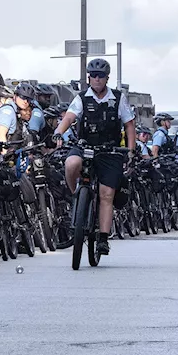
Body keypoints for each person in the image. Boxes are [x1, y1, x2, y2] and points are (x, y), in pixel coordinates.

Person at [51, 58, 136, 255]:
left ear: (107, 78)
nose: (97, 79)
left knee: (107, 193)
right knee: (71, 163)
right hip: (85, 146)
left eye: (101, 76)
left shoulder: (118, 98)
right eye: (93, 76)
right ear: (89, 77)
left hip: (110, 151)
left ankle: (104, 238)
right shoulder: (81, 97)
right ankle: (77, 197)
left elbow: (129, 125)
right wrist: (59, 132)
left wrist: (130, 151)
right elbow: (69, 117)